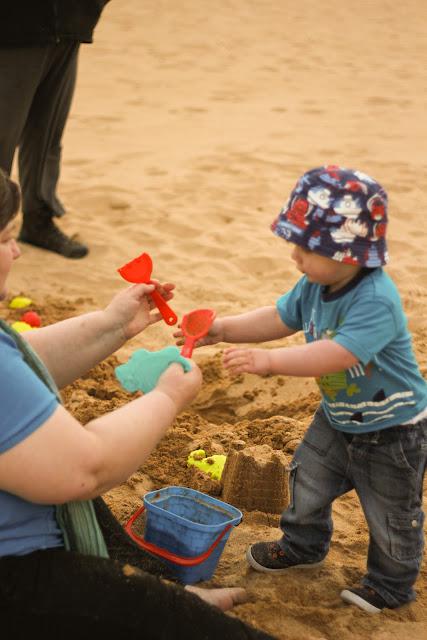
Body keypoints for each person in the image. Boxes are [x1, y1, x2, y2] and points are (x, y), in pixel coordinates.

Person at [0, 170, 275, 640]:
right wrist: (167, 397)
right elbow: (86, 470)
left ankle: (168, 593)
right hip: (17, 580)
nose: (18, 249)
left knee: (112, 536)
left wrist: (112, 325)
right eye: (6, 237)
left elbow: (24, 366)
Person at [175, 165, 427, 615]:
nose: (295, 255)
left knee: (390, 513)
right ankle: (302, 545)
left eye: (307, 247)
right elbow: (278, 317)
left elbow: (338, 354)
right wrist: (223, 330)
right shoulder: (315, 283)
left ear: (349, 252)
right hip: (337, 414)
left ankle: (391, 585)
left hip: (392, 430)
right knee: (306, 478)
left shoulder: (376, 300)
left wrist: (270, 362)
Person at [0, 1, 111, 259]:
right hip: (11, 28)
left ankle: (38, 220)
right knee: (2, 137)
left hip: (71, 22)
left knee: (47, 133)